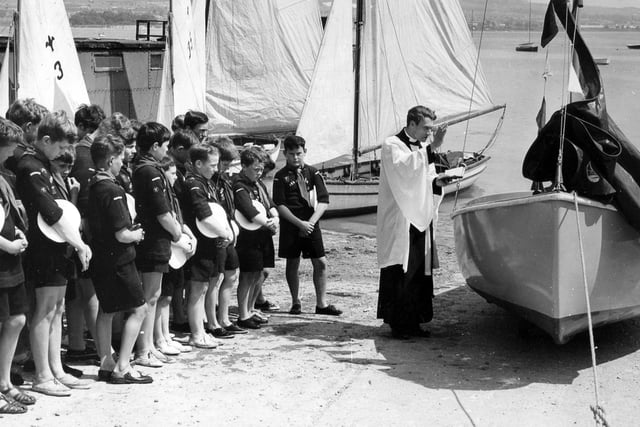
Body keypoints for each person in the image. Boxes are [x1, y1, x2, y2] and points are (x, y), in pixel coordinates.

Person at [16, 111, 93, 396]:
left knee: (57, 309)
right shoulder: (31, 167)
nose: (64, 153)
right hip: (43, 249)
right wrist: (80, 244)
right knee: (45, 311)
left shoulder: (44, 165)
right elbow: (52, 212)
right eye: (61, 147)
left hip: (57, 246)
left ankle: (55, 368)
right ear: (46, 140)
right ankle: (43, 375)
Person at [376, 105, 449, 339]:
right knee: (401, 269)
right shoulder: (391, 145)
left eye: (431, 128)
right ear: (412, 124)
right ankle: (399, 324)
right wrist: (432, 147)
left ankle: (415, 321)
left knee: (418, 269)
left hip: (419, 216)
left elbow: (425, 178)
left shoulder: (422, 148)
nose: (429, 132)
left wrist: (441, 180)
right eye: (426, 128)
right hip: (400, 218)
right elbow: (404, 170)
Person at [87, 134, 152, 384]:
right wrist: (137, 234)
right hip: (119, 260)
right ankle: (123, 365)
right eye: (121, 159)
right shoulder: (113, 189)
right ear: (111, 160)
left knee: (107, 309)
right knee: (139, 308)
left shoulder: (93, 185)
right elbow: (122, 233)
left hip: (101, 259)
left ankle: (106, 361)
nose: (123, 164)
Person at [131, 122, 190, 367]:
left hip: (158, 239)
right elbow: (162, 212)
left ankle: (151, 345)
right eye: (165, 146)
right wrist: (179, 236)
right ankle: (143, 350)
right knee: (150, 296)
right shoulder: (150, 171)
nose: (167, 151)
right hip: (154, 240)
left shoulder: (149, 168)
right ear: (155, 146)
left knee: (154, 295)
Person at [272, 135, 341, 316]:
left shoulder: (313, 173)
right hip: (291, 224)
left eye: (299, 153)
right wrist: (299, 223)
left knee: (320, 262)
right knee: (292, 263)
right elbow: (280, 205)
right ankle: (295, 301)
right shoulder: (280, 177)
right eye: (292, 154)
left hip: (311, 224)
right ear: (285, 154)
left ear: (305, 152)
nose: (296, 157)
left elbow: (324, 200)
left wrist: (310, 222)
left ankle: (321, 304)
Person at [182, 144, 232, 346]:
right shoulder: (194, 184)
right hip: (200, 245)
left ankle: (201, 330)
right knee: (197, 289)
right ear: (198, 164)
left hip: (210, 243)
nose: (216, 169)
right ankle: (196, 334)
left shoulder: (205, 183)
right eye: (212, 165)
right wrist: (225, 232)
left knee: (203, 288)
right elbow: (204, 215)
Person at [0, 118, 34, 414]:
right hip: (2, 256)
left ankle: (4, 382)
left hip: (10, 259)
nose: (11, 154)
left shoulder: (2, 174)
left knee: (17, 319)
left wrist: (16, 232)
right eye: (8, 148)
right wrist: (7, 243)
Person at [233, 147, 278, 330]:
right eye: (256, 169)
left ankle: (251, 308)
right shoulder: (239, 185)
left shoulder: (258, 184)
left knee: (258, 273)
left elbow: (270, 203)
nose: (259, 173)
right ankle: (243, 314)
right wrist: (268, 223)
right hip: (248, 237)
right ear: (244, 166)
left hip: (262, 234)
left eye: (261, 170)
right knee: (247, 275)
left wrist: (275, 217)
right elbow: (248, 210)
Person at [209, 137, 244, 335]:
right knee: (216, 278)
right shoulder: (210, 181)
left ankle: (224, 317)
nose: (225, 167)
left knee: (231, 275)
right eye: (223, 163)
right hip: (217, 234)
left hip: (229, 232)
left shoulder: (224, 180)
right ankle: (213, 321)